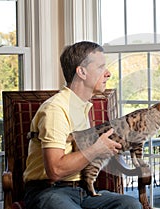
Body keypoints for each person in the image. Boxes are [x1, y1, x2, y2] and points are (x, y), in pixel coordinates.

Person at [23, 41, 142, 209]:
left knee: (130, 205)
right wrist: (97, 149)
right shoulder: (56, 109)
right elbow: (55, 170)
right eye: (101, 67)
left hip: (82, 191)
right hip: (49, 191)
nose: (108, 73)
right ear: (82, 72)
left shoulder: (82, 106)